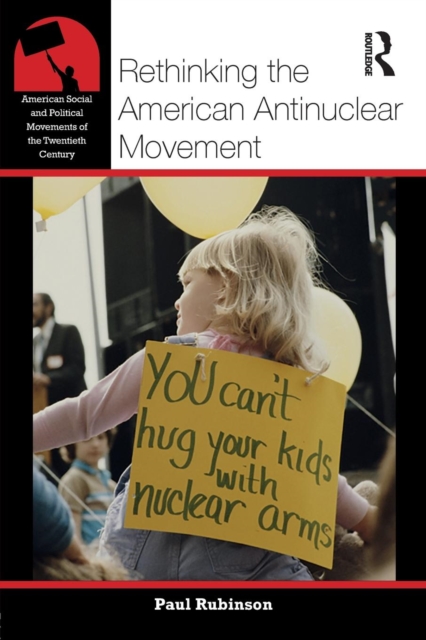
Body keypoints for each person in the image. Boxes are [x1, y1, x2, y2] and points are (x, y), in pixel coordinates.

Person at [34, 207, 375, 580]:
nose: (177, 301)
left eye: (187, 283)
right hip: (251, 563)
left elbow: (83, 414)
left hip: (145, 554)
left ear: (227, 285)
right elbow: (317, 478)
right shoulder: (293, 386)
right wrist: (366, 520)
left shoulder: (173, 361)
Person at [33, 292, 87, 477]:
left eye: (34, 305)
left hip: (71, 416)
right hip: (46, 416)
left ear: (48, 307)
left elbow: (77, 369)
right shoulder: (34, 343)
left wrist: (49, 379)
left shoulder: (68, 332)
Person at [59, 432, 116, 546]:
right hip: (90, 554)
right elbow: (72, 533)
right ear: (72, 444)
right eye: (87, 439)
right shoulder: (74, 478)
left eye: (101, 437)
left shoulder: (110, 483)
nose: (95, 444)